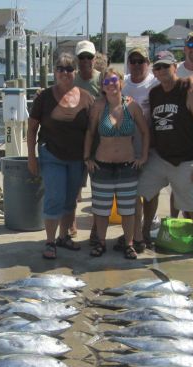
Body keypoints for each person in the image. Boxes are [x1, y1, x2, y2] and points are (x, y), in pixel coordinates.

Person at [138, 50, 193, 270]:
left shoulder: (189, 89)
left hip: (186, 160)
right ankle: (143, 235)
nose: (162, 70)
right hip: (160, 157)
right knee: (142, 192)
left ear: (175, 67)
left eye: (166, 66)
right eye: (158, 67)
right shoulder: (154, 94)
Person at [27, 53, 94, 260]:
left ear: (75, 72)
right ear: (54, 72)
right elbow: (31, 129)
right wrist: (31, 157)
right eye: (60, 69)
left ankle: (63, 236)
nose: (65, 73)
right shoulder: (44, 97)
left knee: (70, 199)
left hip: (76, 158)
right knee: (55, 197)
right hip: (51, 154)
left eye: (69, 69)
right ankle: (50, 240)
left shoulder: (86, 97)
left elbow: (93, 129)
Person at [83, 67, 149, 259]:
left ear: (121, 82)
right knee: (101, 210)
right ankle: (101, 242)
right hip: (102, 167)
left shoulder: (132, 106)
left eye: (114, 81)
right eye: (106, 82)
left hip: (127, 167)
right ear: (102, 87)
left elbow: (145, 132)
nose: (110, 85)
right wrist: (87, 158)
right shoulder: (97, 107)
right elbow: (90, 133)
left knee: (128, 211)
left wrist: (143, 157)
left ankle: (129, 244)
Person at [123, 46, 159, 250]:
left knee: (151, 193)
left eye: (141, 61)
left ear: (148, 63)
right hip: (128, 148)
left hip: (151, 147)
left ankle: (145, 231)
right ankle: (134, 234)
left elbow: (178, 74)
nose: (137, 65)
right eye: (133, 61)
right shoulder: (123, 83)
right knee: (133, 193)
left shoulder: (155, 82)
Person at [70, 39, 102, 240]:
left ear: (94, 58)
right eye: (82, 57)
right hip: (76, 141)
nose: (85, 60)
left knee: (98, 188)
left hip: (99, 142)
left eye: (89, 57)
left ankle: (96, 228)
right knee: (74, 187)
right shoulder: (70, 79)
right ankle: (71, 223)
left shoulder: (102, 78)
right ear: (77, 59)